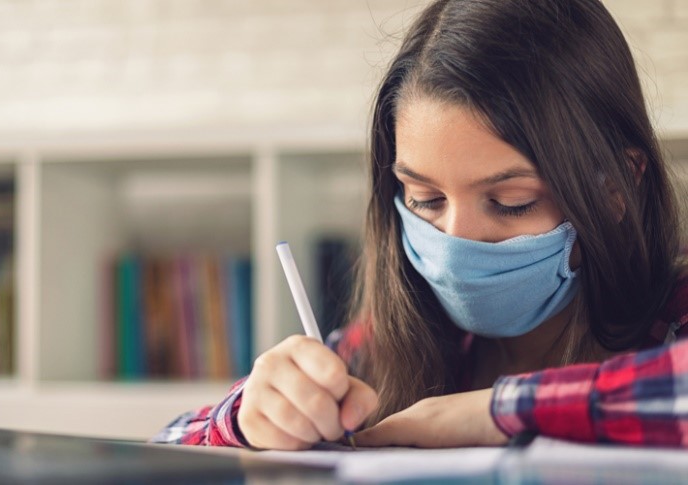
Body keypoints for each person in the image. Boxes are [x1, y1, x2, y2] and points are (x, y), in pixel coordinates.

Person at [151, 0, 688, 450]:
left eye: (511, 201)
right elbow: (165, 448)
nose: (456, 240)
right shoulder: (382, 352)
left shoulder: (673, 320)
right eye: (426, 198)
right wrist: (249, 418)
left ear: (616, 188)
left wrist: (485, 415)